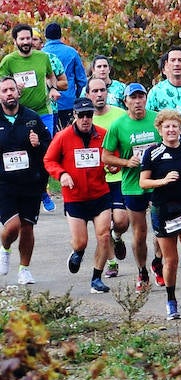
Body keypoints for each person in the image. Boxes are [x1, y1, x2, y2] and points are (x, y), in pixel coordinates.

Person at [140, 109, 181, 319]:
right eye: (167, 126)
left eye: (175, 126)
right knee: (171, 260)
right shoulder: (152, 153)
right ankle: (171, 300)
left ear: (180, 128)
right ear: (159, 129)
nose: (171, 130)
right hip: (164, 209)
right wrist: (163, 181)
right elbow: (143, 182)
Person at [43, 97, 112, 293]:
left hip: (100, 193)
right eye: (81, 115)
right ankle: (78, 251)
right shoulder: (63, 137)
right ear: (74, 115)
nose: (85, 119)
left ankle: (96, 279)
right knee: (82, 241)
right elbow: (49, 160)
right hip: (75, 197)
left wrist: (113, 167)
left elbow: (112, 156)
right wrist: (62, 174)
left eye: (88, 115)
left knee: (105, 236)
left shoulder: (102, 135)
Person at [100, 82, 158, 291]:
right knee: (140, 233)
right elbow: (105, 156)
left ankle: (158, 261)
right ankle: (142, 272)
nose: (138, 101)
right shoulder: (118, 125)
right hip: (133, 184)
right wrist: (126, 163)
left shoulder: (157, 119)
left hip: (157, 183)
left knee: (162, 231)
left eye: (141, 97)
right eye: (133, 98)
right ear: (126, 102)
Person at [0, 76, 51, 284]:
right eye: (4, 90)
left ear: (18, 92)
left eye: (12, 89)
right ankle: (5, 248)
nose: (9, 93)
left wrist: (38, 143)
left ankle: (24, 269)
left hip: (30, 181)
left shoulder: (31, 117)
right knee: (12, 227)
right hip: (4, 184)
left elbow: (49, 148)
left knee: (27, 227)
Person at [85, 76, 127, 278]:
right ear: (88, 95)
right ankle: (111, 262)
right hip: (96, 180)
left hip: (118, 177)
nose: (99, 94)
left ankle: (117, 236)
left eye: (102, 90)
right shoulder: (84, 118)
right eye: (95, 91)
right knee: (102, 225)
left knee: (120, 222)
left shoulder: (120, 115)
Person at [0, 24, 65, 133]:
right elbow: (2, 84)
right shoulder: (8, 61)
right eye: (21, 39)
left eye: (28, 38)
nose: (25, 42)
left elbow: (51, 76)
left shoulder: (43, 57)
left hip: (44, 111)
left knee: (46, 145)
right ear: (15, 41)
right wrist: (13, 87)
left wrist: (53, 88)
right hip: (19, 113)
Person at [42, 23, 86, 131]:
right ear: (61, 35)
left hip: (47, 104)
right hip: (69, 102)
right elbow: (81, 81)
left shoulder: (40, 54)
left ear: (45, 36)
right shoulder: (71, 52)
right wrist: (78, 98)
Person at [146, 47, 181, 125]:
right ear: (167, 64)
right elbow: (148, 119)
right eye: (173, 60)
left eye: (180, 60)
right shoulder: (156, 91)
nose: (176, 64)